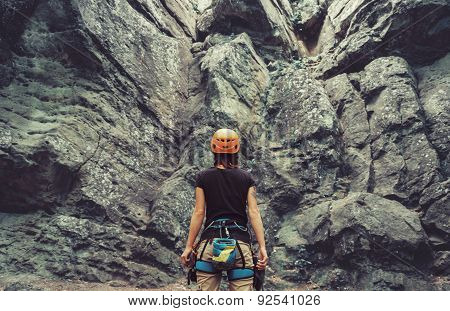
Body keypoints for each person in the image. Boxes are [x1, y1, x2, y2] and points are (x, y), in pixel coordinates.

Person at [180, 128, 268, 291]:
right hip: (240, 245)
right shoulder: (247, 179)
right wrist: (262, 247)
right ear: (237, 149)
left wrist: (189, 247)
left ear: (213, 147)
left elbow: (199, 212)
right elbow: (254, 213)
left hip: (210, 244)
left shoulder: (203, 177)